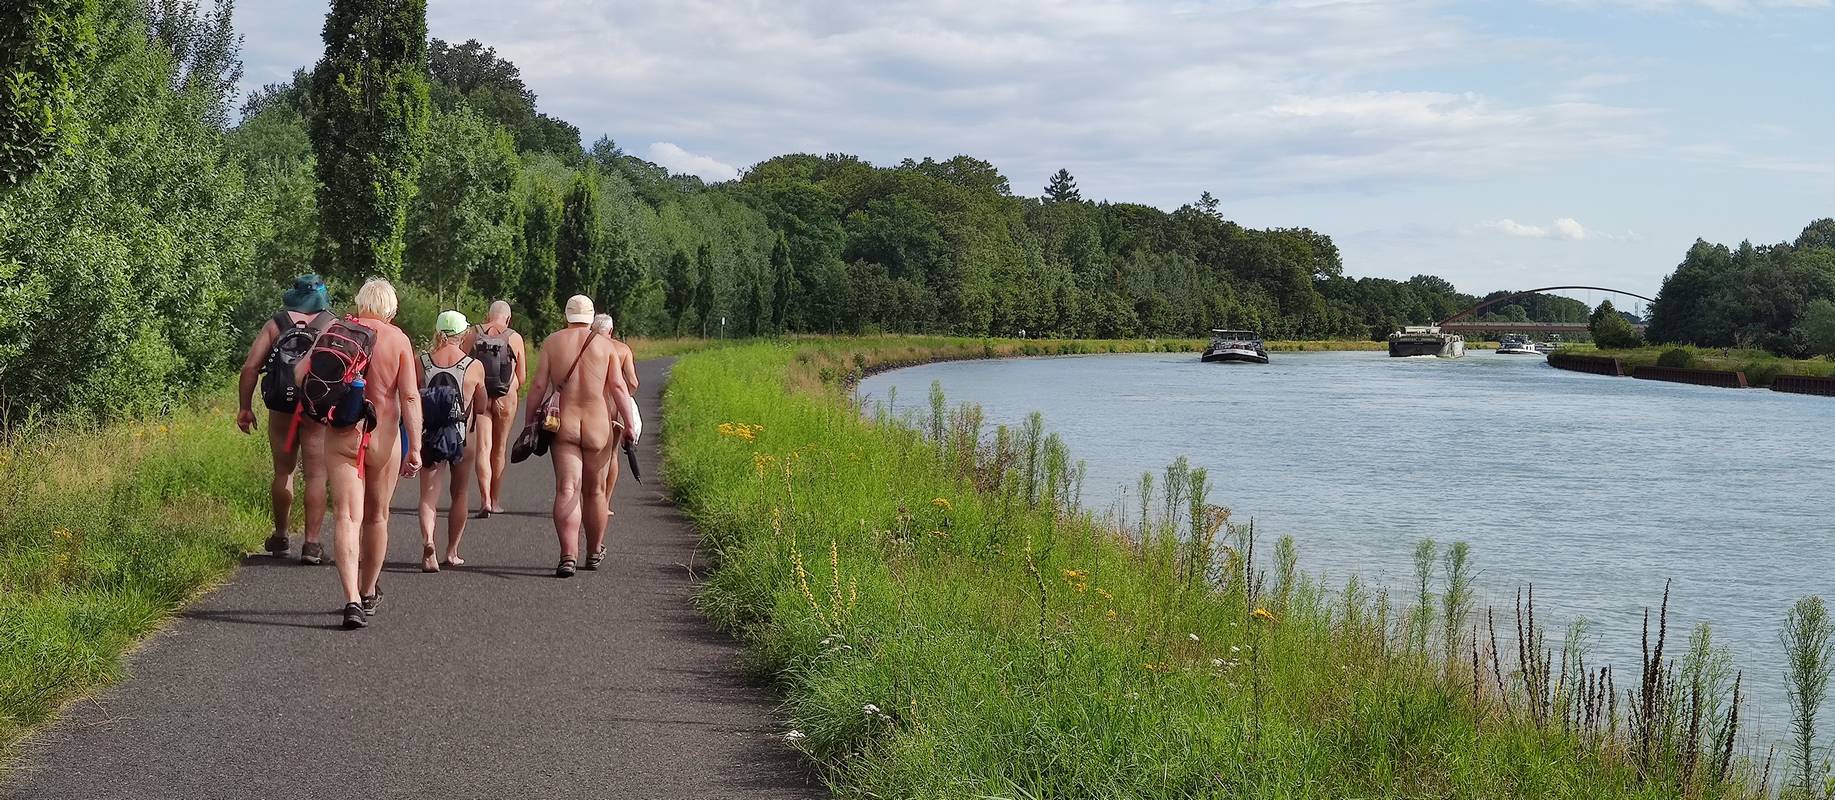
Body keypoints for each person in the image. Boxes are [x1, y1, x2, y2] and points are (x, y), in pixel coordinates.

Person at [298, 278, 421, 629]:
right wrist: (416, 445)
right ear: (391, 308)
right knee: (377, 516)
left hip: (343, 434)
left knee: (347, 518)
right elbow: (410, 397)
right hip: (383, 436)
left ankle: (350, 598)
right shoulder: (398, 340)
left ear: (361, 302)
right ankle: (368, 592)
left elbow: (299, 373)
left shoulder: (335, 329)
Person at [526, 296, 638, 578]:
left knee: (567, 488)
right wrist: (628, 423)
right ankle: (595, 550)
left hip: (564, 424)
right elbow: (618, 387)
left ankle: (568, 555)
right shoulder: (606, 346)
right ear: (591, 317)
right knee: (596, 491)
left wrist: (529, 421)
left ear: (566, 316)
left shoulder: (553, 342)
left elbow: (539, 385)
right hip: (598, 425)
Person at [236, 274, 333, 565]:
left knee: (283, 472)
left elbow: (250, 368)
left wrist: (245, 408)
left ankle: (280, 537)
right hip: (316, 408)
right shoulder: (330, 324)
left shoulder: (276, 324)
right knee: (317, 475)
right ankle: (312, 545)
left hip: (282, 406)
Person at [416, 310, 486, 573]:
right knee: (460, 493)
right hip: (461, 436)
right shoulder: (473, 365)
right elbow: (481, 406)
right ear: (464, 334)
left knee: (427, 497)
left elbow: (412, 397)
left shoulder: (420, 361)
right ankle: (452, 551)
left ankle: (428, 545)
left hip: (429, 435)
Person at [461, 301, 526, 517]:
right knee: (499, 449)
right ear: (507, 318)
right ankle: (496, 499)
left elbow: (462, 367)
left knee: (483, 448)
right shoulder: (514, 337)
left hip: (481, 396)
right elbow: (523, 377)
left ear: (488, 315)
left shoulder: (473, 333)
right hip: (505, 398)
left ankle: (485, 500)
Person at [589, 314, 640, 517]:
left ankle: (587, 500)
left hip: (591, 407)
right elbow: (633, 383)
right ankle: (605, 503)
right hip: (614, 409)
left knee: (587, 454)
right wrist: (623, 395)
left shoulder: (587, 347)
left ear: (593, 328)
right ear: (611, 330)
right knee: (612, 455)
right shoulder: (622, 349)